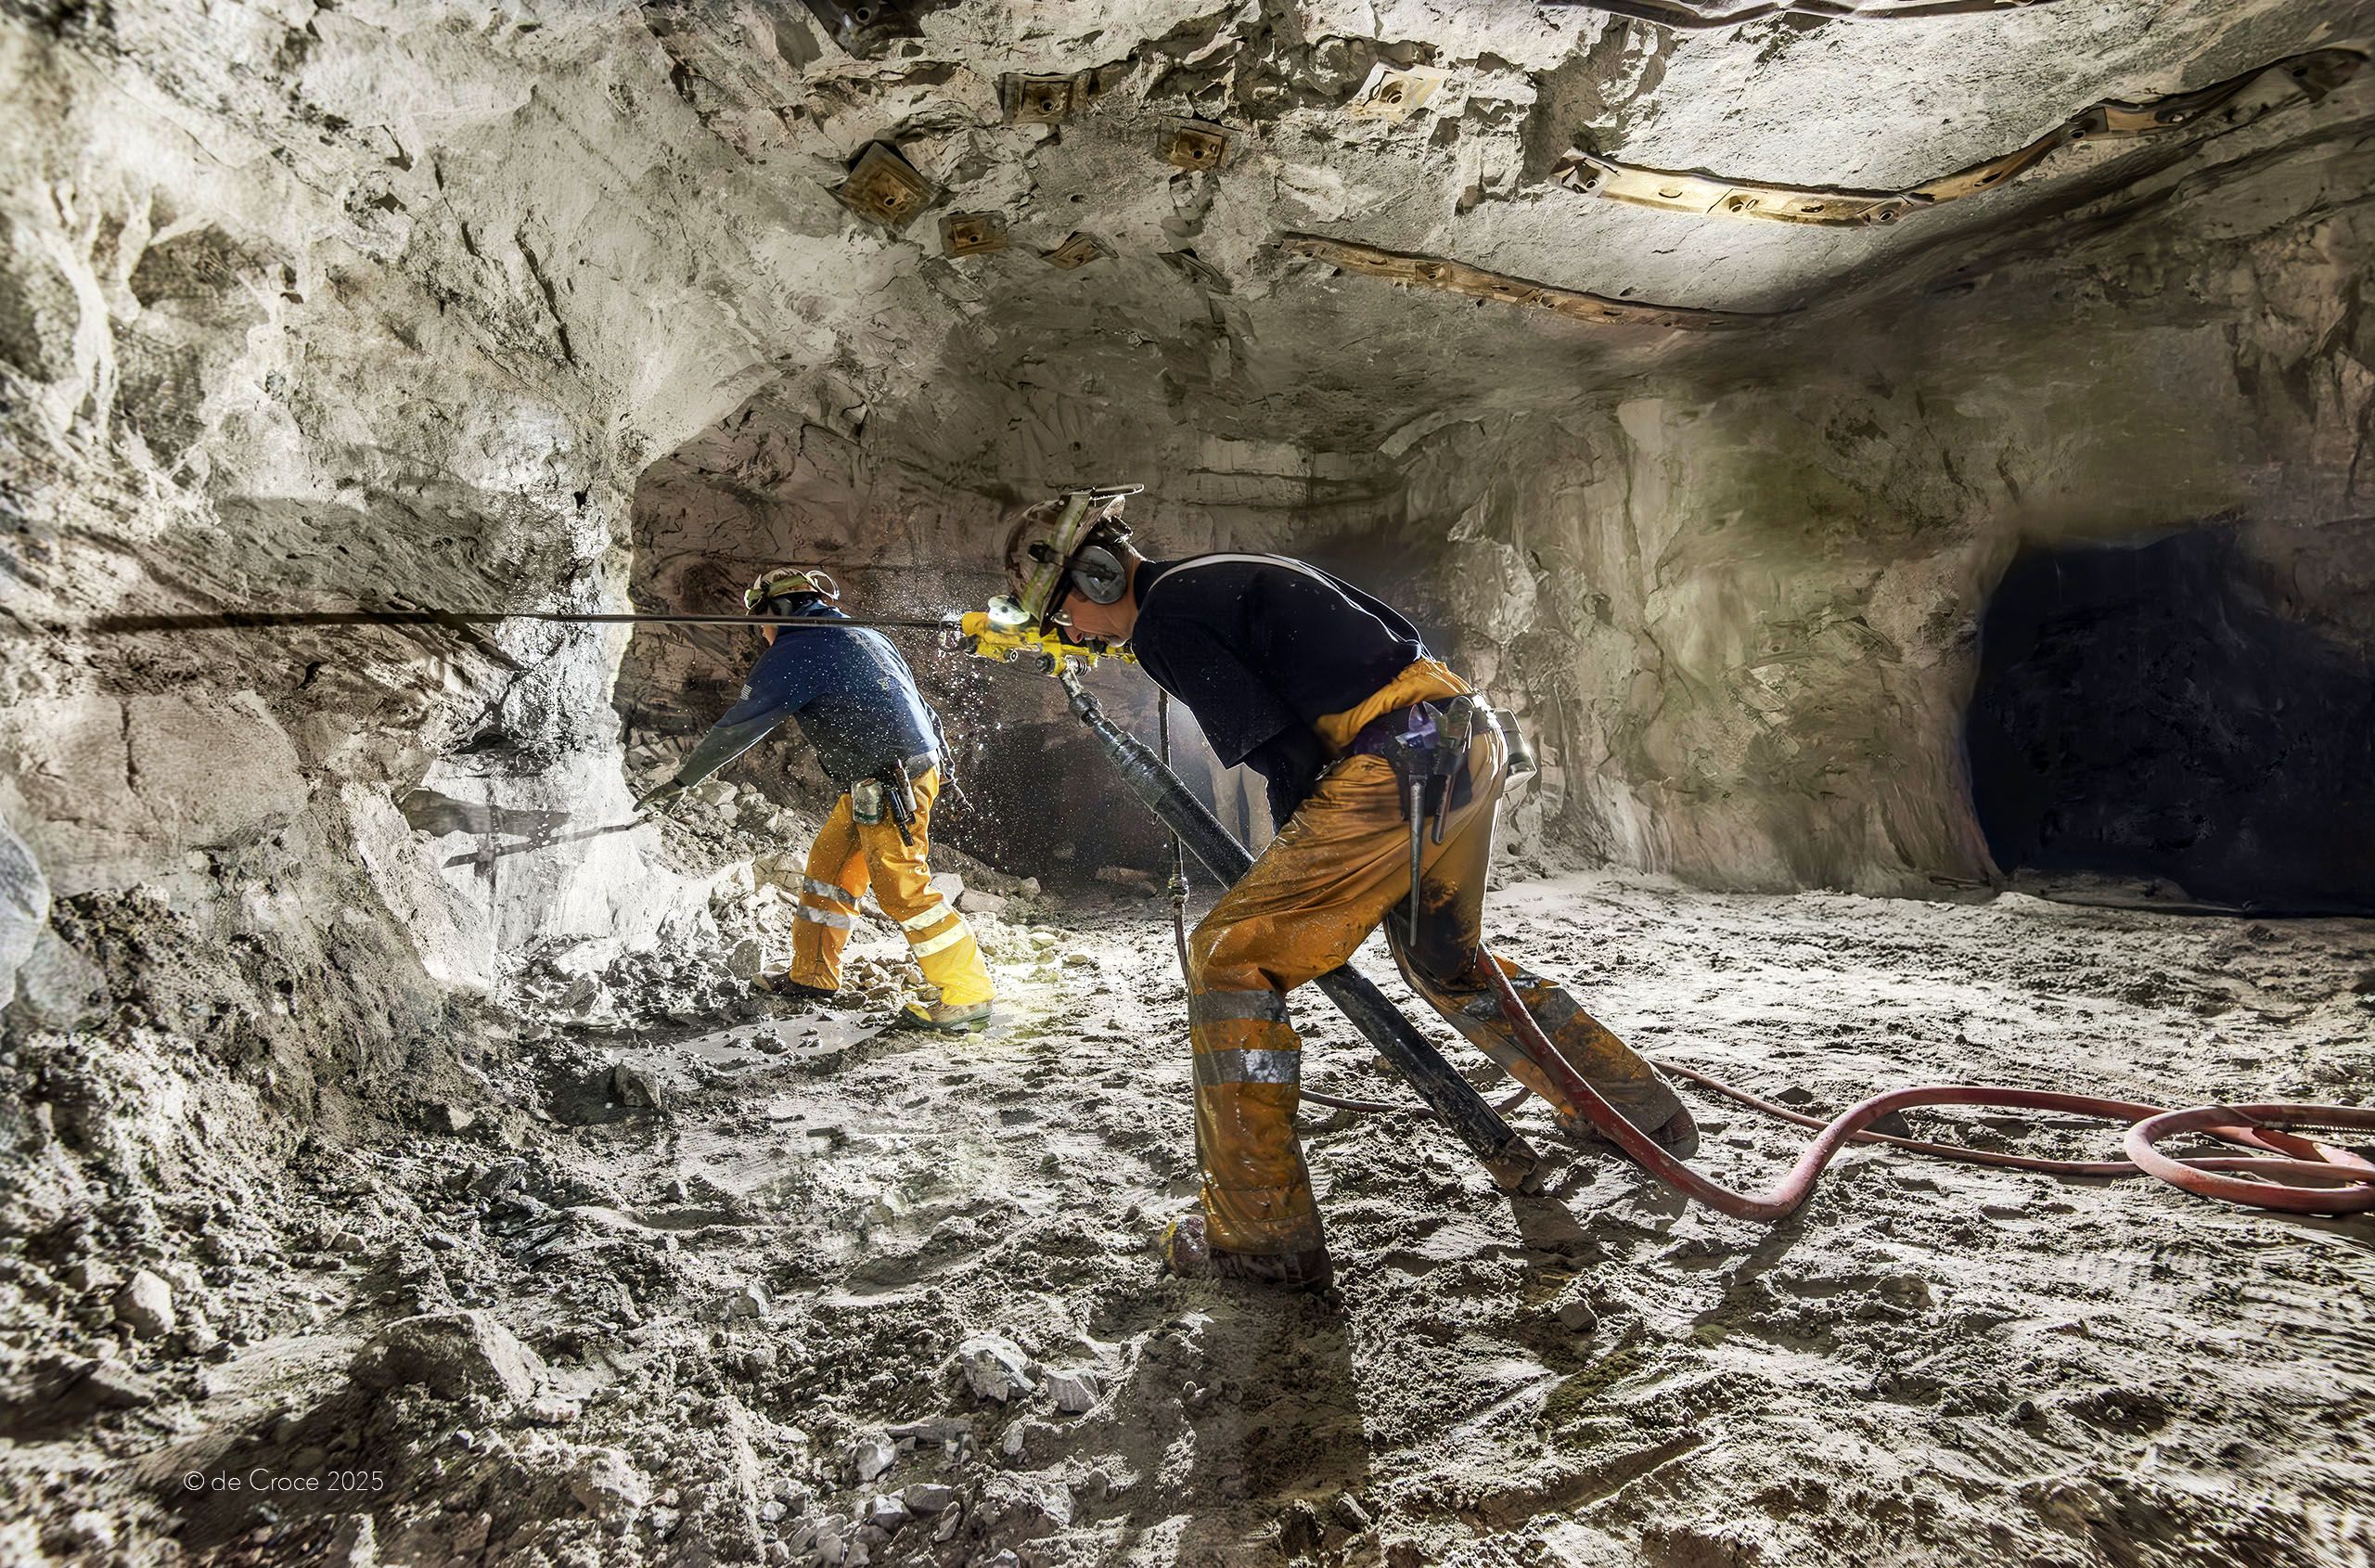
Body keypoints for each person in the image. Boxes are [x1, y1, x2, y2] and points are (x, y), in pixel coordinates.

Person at [999, 495, 1695, 1288]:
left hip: (1395, 765)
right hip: (1461, 740)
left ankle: (1258, 1234)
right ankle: (1637, 1111)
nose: (1074, 638)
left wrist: (1298, 872)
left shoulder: (1168, 622)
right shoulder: (1211, 580)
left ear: (1094, 573)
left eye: (1066, 617)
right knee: (1448, 963)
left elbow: (1289, 759)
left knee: (1227, 957)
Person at [636, 568, 994, 1034]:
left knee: (901, 888)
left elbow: (739, 726)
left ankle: (968, 995)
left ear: (780, 610)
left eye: (761, 621)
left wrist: (683, 781)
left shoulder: (798, 649)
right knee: (829, 868)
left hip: (890, 779)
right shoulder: (864, 635)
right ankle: (813, 977)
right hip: (884, 774)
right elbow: (918, 705)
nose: (762, 633)